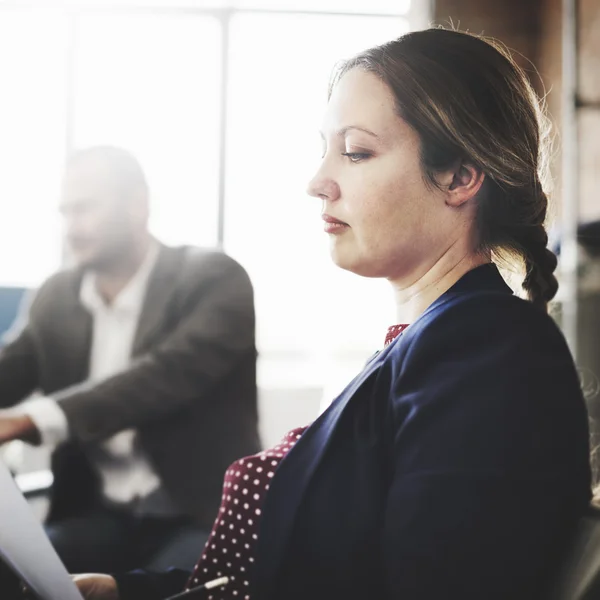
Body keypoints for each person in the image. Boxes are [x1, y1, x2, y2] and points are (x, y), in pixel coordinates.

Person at [70, 28, 592, 600]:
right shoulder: (428, 344)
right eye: (324, 150)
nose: (318, 182)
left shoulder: (487, 351)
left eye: (357, 151)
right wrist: (129, 590)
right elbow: (322, 565)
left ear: (460, 177)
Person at [0, 146, 260, 575]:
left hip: (196, 516)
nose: (72, 228)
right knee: (16, 574)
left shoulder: (214, 279)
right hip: (98, 518)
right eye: (65, 212)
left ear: (137, 205)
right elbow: (12, 367)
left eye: (85, 209)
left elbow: (159, 378)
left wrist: (27, 420)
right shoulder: (56, 297)